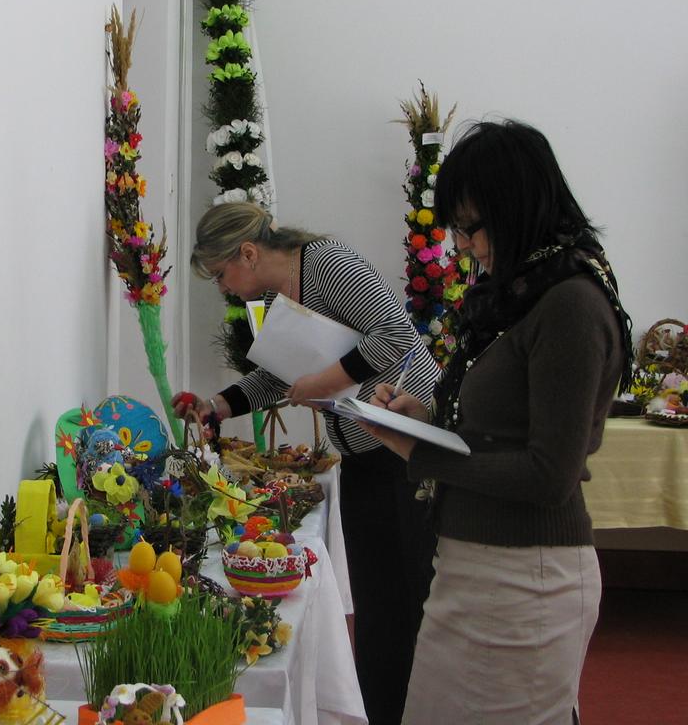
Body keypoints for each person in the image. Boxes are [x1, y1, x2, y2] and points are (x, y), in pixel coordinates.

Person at [363, 120, 633, 724]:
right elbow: (498, 425)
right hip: (477, 565)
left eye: (469, 226)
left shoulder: (570, 304)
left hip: (525, 579)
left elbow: (548, 475)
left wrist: (421, 452)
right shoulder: (518, 294)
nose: (461, 245)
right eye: (455, 229)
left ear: (518, 207)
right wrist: (426, 418)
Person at [172, 201, 440, 725]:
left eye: (221, 274)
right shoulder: (281, 292)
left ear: (248, 253)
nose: (223, 287)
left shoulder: (327, 263)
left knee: (409, 602)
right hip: (363, 456)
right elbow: (282, 374)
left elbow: (395, 335)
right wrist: (218, 406)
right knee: (378, 606)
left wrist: (322, 383)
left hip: (405, 452)